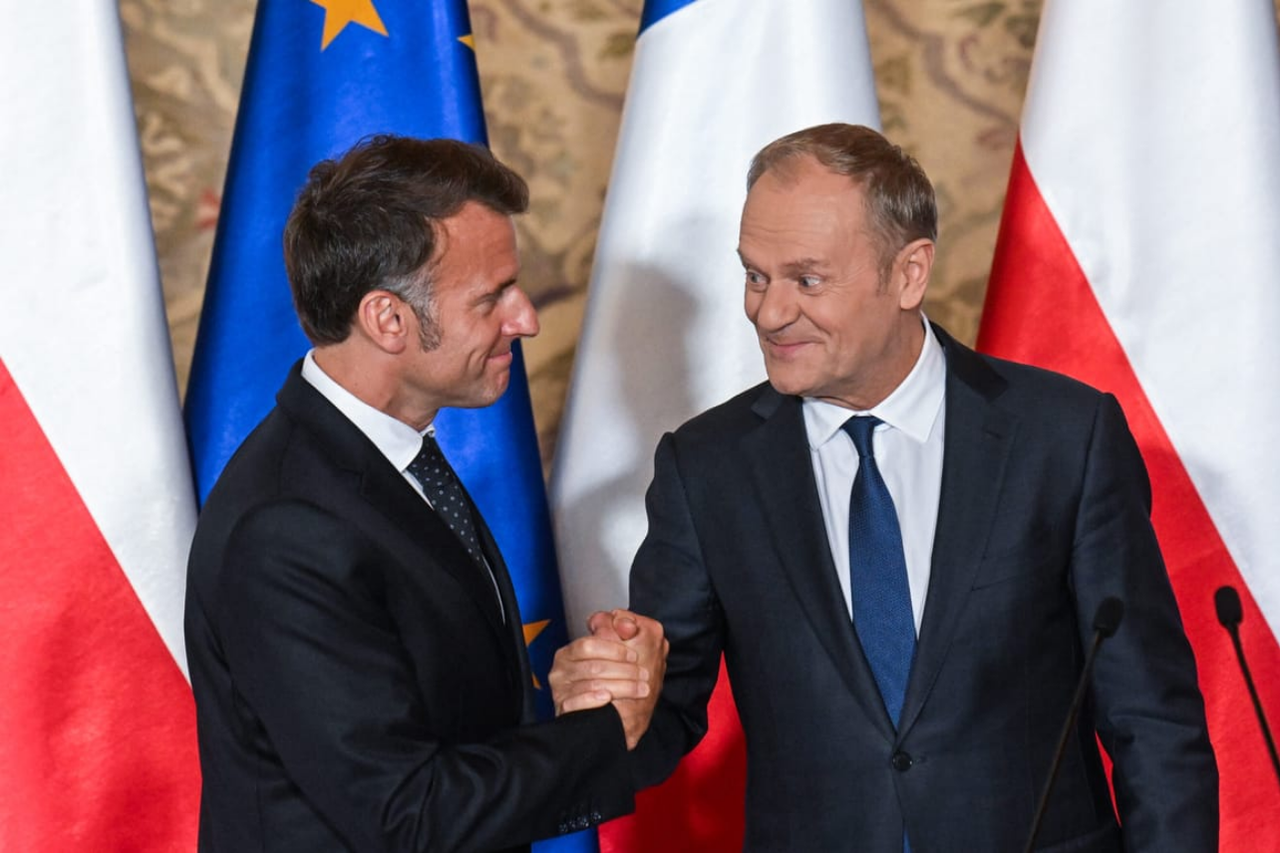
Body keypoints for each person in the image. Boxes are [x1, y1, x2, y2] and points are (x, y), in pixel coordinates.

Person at [624, 124, 1217, 851]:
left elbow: (1151, 717)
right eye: (755, 276)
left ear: (909, 273)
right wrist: (608, 709)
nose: (769, 313)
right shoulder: (707, 467)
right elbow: (665, 712)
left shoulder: (1062, 437)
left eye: (807, 280)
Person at [184, 135, 665, 853]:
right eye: (492, 297)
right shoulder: (287, 527)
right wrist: (604, 732)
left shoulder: (392, 459)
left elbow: (446, 717)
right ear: (388, 320)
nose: (526, 319)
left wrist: (577, 702)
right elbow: (408, 816)